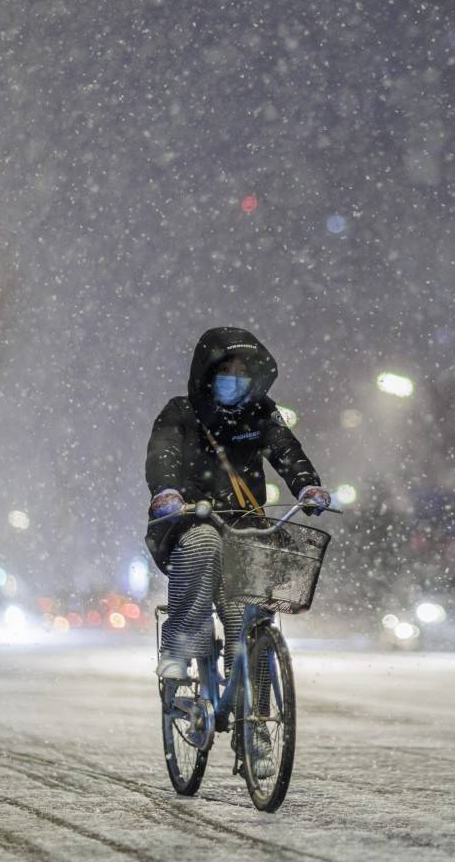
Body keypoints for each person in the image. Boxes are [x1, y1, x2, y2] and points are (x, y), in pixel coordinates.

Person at [145, 328, 329, 776]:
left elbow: (287, 451)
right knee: (204, 545)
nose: (235, 379)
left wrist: (306, 484)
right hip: (191, 518)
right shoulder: (181, 412)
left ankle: (255, 730)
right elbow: (163, 454)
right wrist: (167, 491)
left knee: (247, 617)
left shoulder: (261, 413)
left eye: (243, 372)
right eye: (226, 370)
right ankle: (179, 646)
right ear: (207, 374)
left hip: (246, 524)